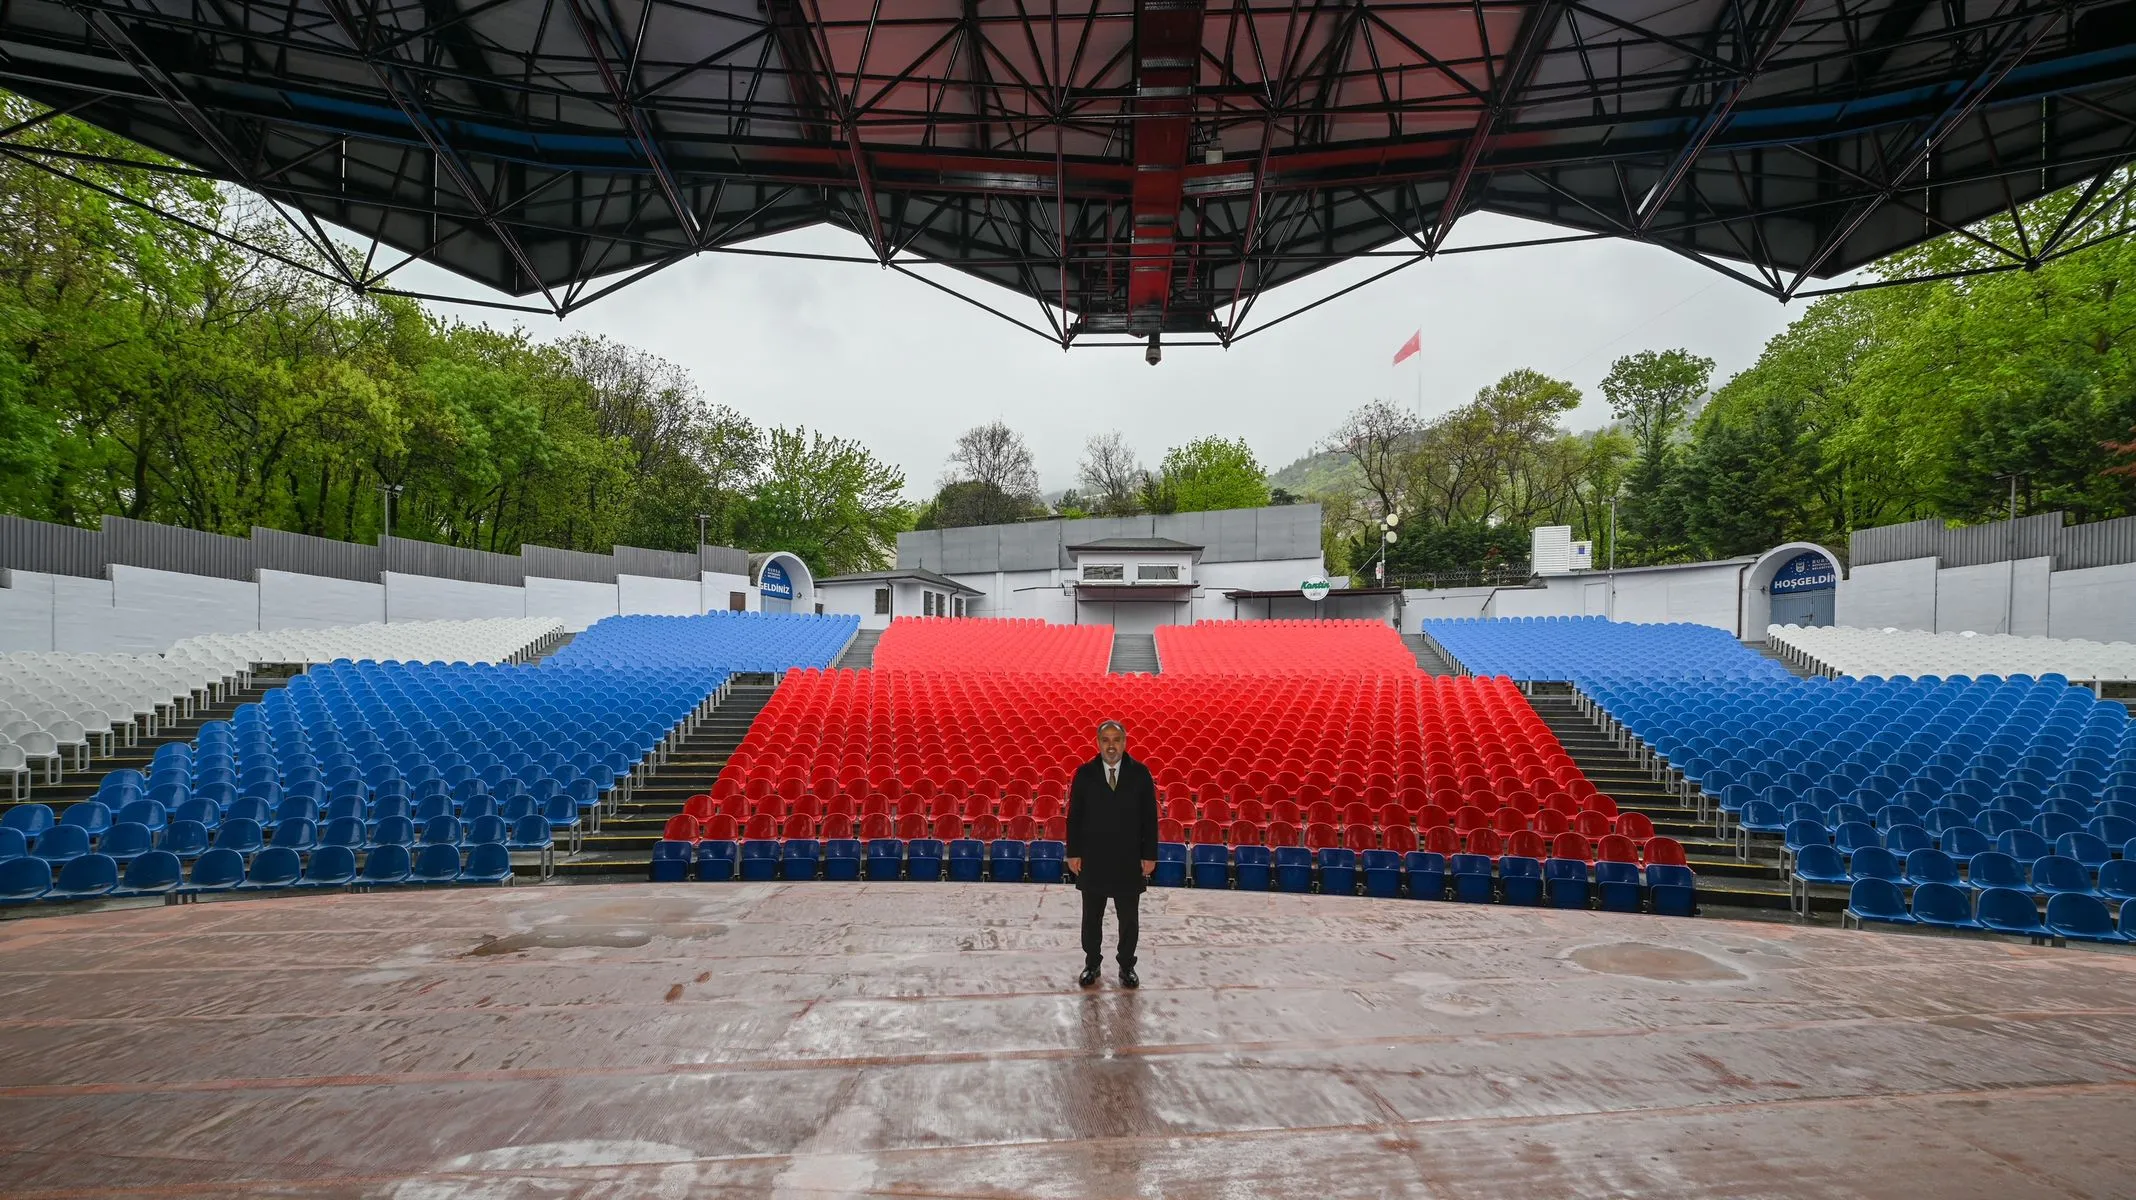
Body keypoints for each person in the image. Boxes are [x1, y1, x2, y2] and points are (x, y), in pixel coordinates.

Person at [1066, 719, 1158, 989]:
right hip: (1093, 858)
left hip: (1129, 859)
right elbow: (1075, 817)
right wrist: (1073, 852)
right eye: (1105, 740)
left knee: (1128, 919)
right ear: (1098, 743)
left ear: (1125, 742)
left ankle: (1127, 966)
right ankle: (1092, 964)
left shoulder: (1140, 774)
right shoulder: (1084, 774)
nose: (1111, 745)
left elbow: (1149, 819)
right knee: (1091, 918)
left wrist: (1149, 854)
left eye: (1116, 740)